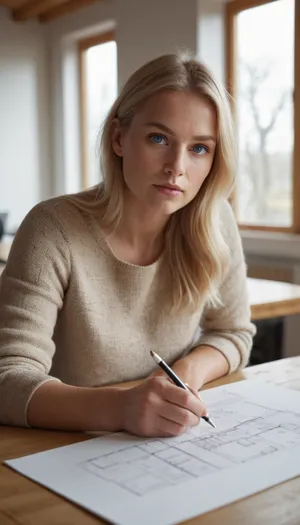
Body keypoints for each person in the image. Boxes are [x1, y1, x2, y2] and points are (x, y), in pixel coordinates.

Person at [0, 53, 255, 436]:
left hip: (165, 443)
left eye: (199, 148)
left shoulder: (216, 221)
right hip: (60, 447)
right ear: (119, 138)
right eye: (159, 138)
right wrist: (123, 408)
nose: (177, 167)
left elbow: (234, 332)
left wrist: (183, 374)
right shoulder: (53, 229)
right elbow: (8, 379)